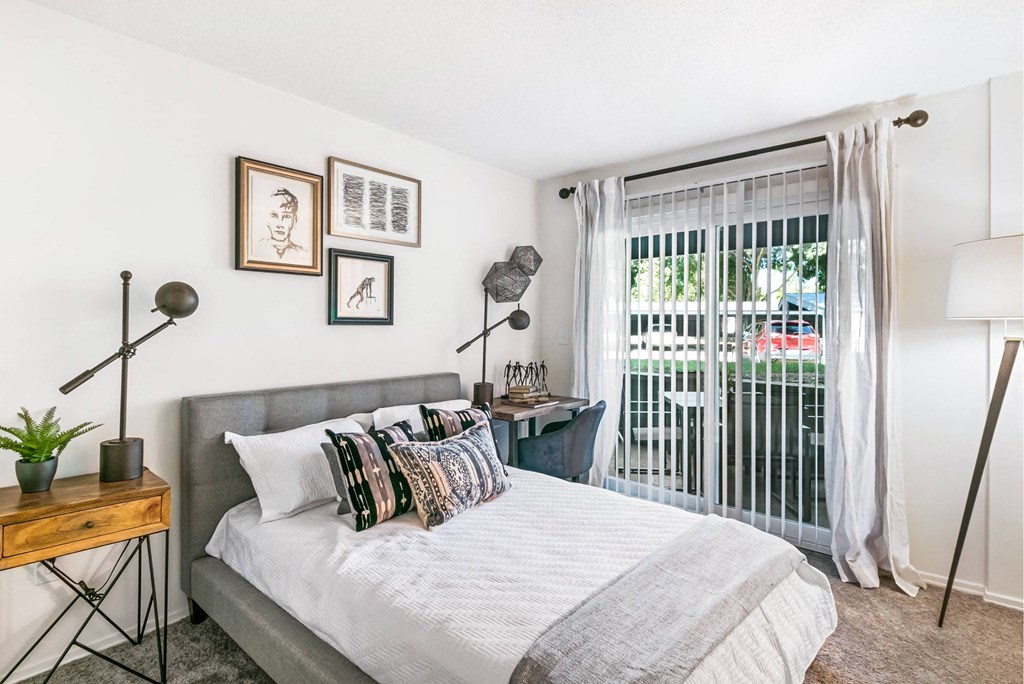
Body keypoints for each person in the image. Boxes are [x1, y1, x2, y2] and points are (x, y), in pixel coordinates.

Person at [257, 187, 306, 260]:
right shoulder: (257, 248)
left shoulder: (302, 254)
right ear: (266, 219)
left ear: (294, 221)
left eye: (286, 216)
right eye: (274, 215)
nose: (279, 224)